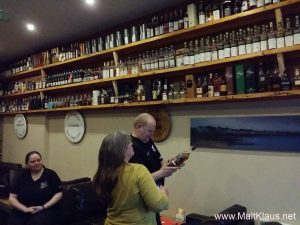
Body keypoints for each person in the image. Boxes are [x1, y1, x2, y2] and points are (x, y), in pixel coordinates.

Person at [93, 131, 169, 225]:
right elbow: (159, 205)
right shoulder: (138, 171)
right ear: (121, 149)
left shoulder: (102, 174)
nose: (131, 144)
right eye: (129, 143)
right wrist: (163, 193)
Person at [129, 112, 179, 225]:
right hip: (141, 202)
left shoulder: (149, 142)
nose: (152, 135)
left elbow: (161, 162)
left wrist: (172, 164)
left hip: (155, 195)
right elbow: (136, 181)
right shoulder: (131, 148)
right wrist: (162, 173)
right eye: (150, 131)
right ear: (139, 127)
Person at [8, 151, 63, 225]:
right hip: (24, 209)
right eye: (33, 161)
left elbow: (58, 193)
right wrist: (25, 209)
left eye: (39, 160)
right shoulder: (21, 176)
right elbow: (12, 198)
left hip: (46, 209)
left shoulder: (51, 174)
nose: (37, 163)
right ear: (27, 164)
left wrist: (43, 207)